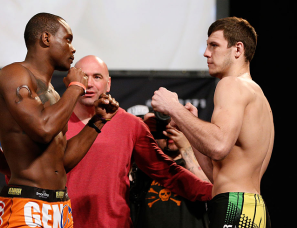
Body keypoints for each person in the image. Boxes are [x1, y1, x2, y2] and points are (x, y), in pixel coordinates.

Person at [0, 13, 119, 228]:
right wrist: (77, 87)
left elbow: (61, 163)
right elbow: (43, 129)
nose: (73, 48)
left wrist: (97, 122)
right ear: (46, 39)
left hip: (60, 208)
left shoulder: (54, 95)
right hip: (25, 205)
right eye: (67, 39)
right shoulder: (13, 75)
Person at [63, 55, 212, 228]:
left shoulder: (130, 124)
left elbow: (165, 171)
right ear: (70, 81)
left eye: (97, 77)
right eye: (83, 76)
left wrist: (214, 192)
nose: (89, 84)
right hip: (63, 223)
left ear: (108, 83)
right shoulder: (56, 121)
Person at [151, 17, 273, 228]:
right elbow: (216, 174)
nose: (206, 53)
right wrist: (190, 125)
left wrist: (173, 107)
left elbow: (218, 146)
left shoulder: (231, 84)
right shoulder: (259, 97)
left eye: (214, 45)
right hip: (252, 209)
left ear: (238, 49)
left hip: (235, 208)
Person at [130, 112, 209, 228]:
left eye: (177, 126)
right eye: (164, 125)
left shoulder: (200, 162)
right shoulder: (145, 165)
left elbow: (206, 188)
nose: (170, 131)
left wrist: (185, 146)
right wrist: (142, 132)